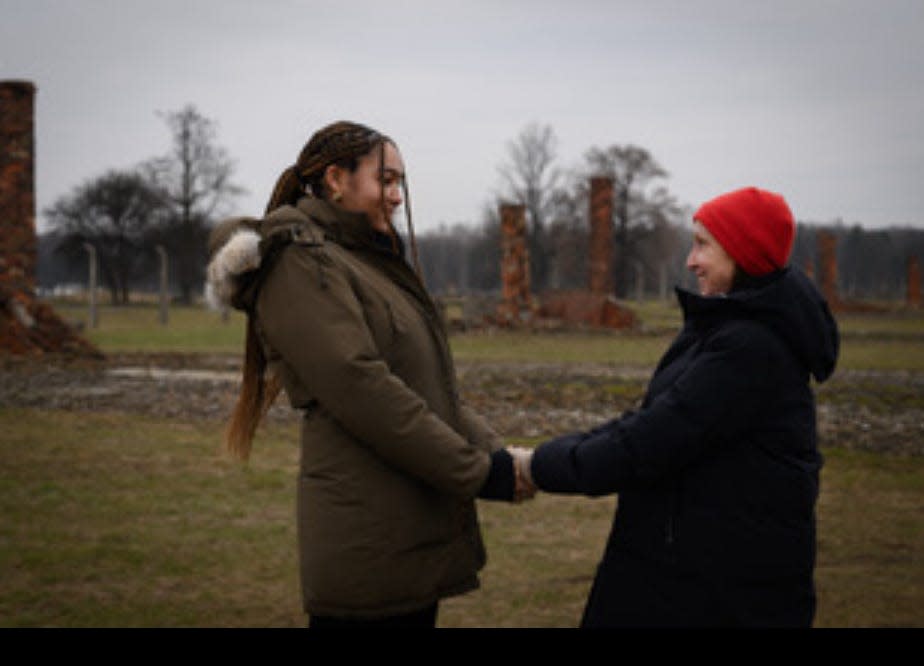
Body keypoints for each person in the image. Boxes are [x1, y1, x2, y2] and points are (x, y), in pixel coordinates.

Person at [206, 121, 533, 628]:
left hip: (405, 533)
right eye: (386, 180)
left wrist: (498, 455)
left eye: (401, 182)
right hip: (367, 542)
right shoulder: (301, 262)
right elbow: (363, 388)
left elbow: (424, 388)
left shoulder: (364, 261)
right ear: (336, 180)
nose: (398, 196)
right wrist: (477, 472)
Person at [513, 186, 839, 627]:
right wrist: (550, 456)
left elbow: (646, 443)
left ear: (742, 253)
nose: (691, 260)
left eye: (703, 244)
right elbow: (649, 423)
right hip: (693, 577)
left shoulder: (749, 349)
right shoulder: (726, 330)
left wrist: (536, 467)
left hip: (718, 594)